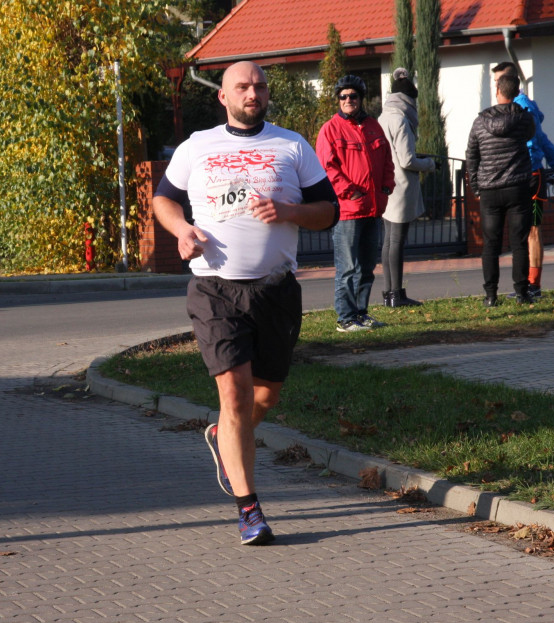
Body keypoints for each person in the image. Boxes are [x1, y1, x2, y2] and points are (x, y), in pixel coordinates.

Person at [152, 61, 338, 545]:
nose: (252, 93)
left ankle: (223, 437)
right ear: (224, 97)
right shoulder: (198, 146)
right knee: (233, 396)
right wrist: (181, 230)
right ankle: (249, 510)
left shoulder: (292, 145)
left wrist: (291, 211)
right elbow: (163, 200)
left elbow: (329, 211)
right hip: (214, 286)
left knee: (265, 397)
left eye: (258, 86)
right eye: (242, 86)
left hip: (275, 290)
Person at [315, 74, 395, 332]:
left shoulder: (374, 126)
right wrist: (349, 192)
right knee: (348, 268)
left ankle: (361, 313)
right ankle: (345, 318)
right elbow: (327, 168)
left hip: (372, 209)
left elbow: (387, 161)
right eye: (343, 96)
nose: (348, 100)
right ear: (338, 100)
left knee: (368, 267)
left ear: (361, 99)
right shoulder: (330, 129)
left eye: (353, 96)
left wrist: (385, 189)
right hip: (348, 211)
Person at [491, 62, 554, 299]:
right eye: (495, 82)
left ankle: (533, 286)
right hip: (522, 174)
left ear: (510, 82)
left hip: (530, 174)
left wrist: (540, 165)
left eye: (498, 82)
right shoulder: (515, 106)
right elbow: (543, 138)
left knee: (533, 231)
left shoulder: (521, 106)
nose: (496, 87)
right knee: (523, 232)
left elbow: (534, 142)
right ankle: (526, 284)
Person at [466, 73, 536, 307]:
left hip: (489, 190)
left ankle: (490, 296)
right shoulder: (524, 119)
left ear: (497, 91)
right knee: (519, 243)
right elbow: (530, 135)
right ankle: (522, 293)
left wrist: (476, 186)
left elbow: (472, 155)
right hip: (517, 187)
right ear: (516, 93)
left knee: (491, 244)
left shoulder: (480, 121)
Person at [378, 68, 437, 307]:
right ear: (408, 99)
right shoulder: (401, 119)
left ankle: (388, 293)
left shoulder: (383, 117)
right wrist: (430, 164)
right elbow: (407, 160)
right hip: (401, 186)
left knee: (388, 241)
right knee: (397, 242)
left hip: (387, 185)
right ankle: (397, 295)